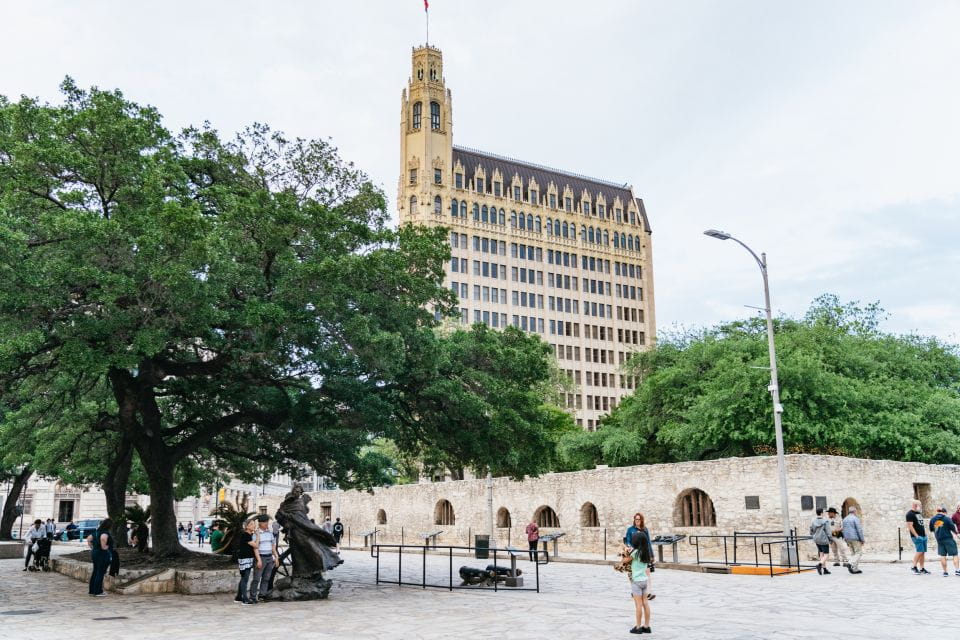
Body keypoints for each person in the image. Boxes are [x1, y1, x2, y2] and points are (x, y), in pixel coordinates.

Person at [623, 513, 656, 600]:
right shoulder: (630, 530)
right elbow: (628, 541)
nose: (637, 521)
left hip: (645, 553)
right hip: (634, 553)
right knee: (632, 572)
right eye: (636, 519)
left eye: (639, 519)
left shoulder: (645, 529)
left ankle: (649, 592)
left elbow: (648, 542)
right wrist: (630, 549)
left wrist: (651, 555)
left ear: (642, 520)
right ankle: (634, 591)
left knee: (647, 572)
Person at [628, 529, 653, 635]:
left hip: (636, 582)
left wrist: (627, 551)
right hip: (644, 581)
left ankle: (637, 627)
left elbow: (625, 560)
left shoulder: (635, 553)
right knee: (645, 603)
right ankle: (646, 626)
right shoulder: (645, 553)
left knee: (638, 605)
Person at [251, 515, 279, 602]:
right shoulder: (256, 534)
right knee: (256, 578)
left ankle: (262, 595)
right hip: (261, 557)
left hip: (269, 558)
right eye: (265, 522)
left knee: (266, 578)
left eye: (267, 522)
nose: (267, 524)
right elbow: (255, 548)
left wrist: (276, 557)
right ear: (260, 523)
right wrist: (258, 559)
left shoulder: (270, 533)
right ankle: (253, 596)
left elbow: (273, 546)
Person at [928, 505, 959, 577]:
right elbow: (952, 528)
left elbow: (931, 529)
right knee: (955, 554)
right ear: (944, 512)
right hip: (948, 539)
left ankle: (945, 572)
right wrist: (957, 534)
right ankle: (957, 570)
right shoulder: (947, 518)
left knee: (943, 555)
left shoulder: (932, 519)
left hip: (939, 540)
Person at [87, 518, 113, 596]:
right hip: (103, 554)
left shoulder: (96, 532)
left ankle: (92, 591)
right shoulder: (105, 533)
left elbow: (88, 539)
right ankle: (98, 591)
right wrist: (105, 547)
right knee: (100, 572)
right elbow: (103, 540)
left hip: (95, 553)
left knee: (95, 571)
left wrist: (93, 547)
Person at [234, 519, 257, 605]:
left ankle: (239, 597)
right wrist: (258, 536)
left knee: (243, 577)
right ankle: (245, 599)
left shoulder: (249, 535)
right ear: (247, 526)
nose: (253, 526)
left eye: (254, 524)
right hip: (245, 559)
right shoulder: (246, 535)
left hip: (247, 558)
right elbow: (256, 545)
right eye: (251, 524)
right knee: (245, 578)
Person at [906, 499, 929, 574]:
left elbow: (921, 524)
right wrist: (916, 536)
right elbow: (910, 526)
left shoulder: (918, 513)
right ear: (915, 505)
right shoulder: (909, 514)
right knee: (919, 551)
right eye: (920, 505)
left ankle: (922, 568)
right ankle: (913, 567)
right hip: (917, 536)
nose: (921, 506)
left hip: (923, 536)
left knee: (923, 552)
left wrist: (925, 534)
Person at [842, 505, 864, 574]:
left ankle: (855, 568)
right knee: (859, 553)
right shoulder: (855, 518)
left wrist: (845, 539)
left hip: (848, 538)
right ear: (854, 511)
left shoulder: (844, 519)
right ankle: (850, 563)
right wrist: (862, 539)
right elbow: (859, 530)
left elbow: (843, 530)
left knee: (853, 553)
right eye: (856, 511)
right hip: (855, 538)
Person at [810, 508, 832, 575]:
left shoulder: (813, 521)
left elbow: (811, 531)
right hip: (823, 539)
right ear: (822, 513)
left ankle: (824, 569)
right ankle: (819, 565)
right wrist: (830, 539)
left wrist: (814, 535)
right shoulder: (825, 521)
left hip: (816, 539)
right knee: (826, 555)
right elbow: (828, 532)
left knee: (821, 553)